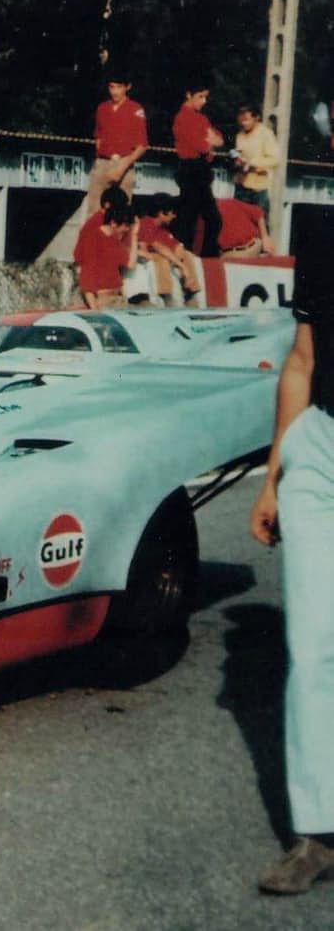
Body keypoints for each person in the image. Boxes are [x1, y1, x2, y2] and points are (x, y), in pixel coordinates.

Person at [247, 258, 334, 895]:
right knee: (313, 650)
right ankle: (320, 833)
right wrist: (274, 479)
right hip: (320, 453)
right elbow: (301, 361)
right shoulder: (325, 238)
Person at [172, 82, 224, 258]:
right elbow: (202, 145)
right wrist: (210, 141)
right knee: (193, 217)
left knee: (209, 218)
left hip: (201, 169)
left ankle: (202, 256)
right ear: (189, 95)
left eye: (205, 97)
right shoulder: (182, 117)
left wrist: (210, 141)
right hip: (190, 169)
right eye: (200, 97)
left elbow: (218, 138)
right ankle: (191, 255)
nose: (204, 101)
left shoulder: (201, 118)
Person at [87, 71, 149, 214]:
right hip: (103, 163)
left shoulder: (136, 109)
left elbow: (142, 145)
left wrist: (122, 166)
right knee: (94, 211)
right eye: (111, 87)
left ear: (127, 87)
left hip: (124, 163)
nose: (114, 91)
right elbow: (98, 136)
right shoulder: (102, 108)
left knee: (122, 213)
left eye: (119, 87)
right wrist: (99, 161)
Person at [134, 194, 202, 305]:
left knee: (186, 254)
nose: (174, 216)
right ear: (161, 213)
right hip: (145, 257)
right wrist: (181, 265)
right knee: (161, 258)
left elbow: (177, 246)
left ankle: (190, 292)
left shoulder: (163, 230)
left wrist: (179, 257)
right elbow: (156, 247)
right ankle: (166, 295)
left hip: (161, 256)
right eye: (172, 212)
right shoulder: (146, 223)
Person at [72, 204, 135, 310]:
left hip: (118, 297)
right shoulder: (93, 237)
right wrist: (94, 308)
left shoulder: (114, 239)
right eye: (126, 225)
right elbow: (87, 275)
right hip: (103, 300)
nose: (127, 229)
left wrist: (135, 236)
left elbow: (130, 264)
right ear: (113, 223)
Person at [233, 104, 278, 219]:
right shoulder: (240, 135)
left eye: (247, 120)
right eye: (241, 120)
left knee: (259, 223)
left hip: (258, 189)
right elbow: (238, 154)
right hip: (241, 186)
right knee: (238, 222)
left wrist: (252, 162)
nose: (243, 123)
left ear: (256, 118)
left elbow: (274, 159)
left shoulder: (266, 134)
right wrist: (238, 161)